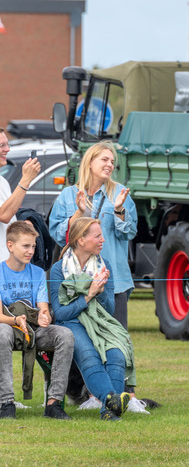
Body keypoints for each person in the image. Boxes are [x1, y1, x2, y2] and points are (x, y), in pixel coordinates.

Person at [48, 217, 134, 421]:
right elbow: (60, 313)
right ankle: (112, 401)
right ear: (81, 240)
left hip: (99, 323)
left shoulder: (105, 266)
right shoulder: (59, 270)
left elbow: (110, 309)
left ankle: (108, 410)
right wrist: (89, 295)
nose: (103, 240)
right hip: (72, 322)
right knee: (88, 355)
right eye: (97, 236)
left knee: (116, 353)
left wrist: (102, 292)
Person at [49, 141, 138, 332]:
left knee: (116, 340)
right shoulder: (68, 195)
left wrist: (119, 210)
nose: (110, 165)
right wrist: (78, 213)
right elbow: (58, 233)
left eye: (112, 161)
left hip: (112, 281)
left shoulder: (120, 193)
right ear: (90, 161)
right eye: (104, 159)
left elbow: (128, 233)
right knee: (78, 342)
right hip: (74, 282)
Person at [0, 221, 74, 420]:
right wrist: (15, 320)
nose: (31, 251)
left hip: (32, 331)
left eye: (33, 246)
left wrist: (44, 316)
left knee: (64, 335)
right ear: (10, 246)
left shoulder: (38, 273)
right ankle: (6, 403)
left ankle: (53, 403)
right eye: (26, 246)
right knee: (1, 332)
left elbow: (43, 308)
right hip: (8, 328)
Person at [0, 127, 42, 261]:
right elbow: (4, 215)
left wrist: (23, 224)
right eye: (2, 145)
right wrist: (26, 180)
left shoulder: (3, 182)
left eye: (8, 144)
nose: (7, 149)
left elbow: (8, 219)